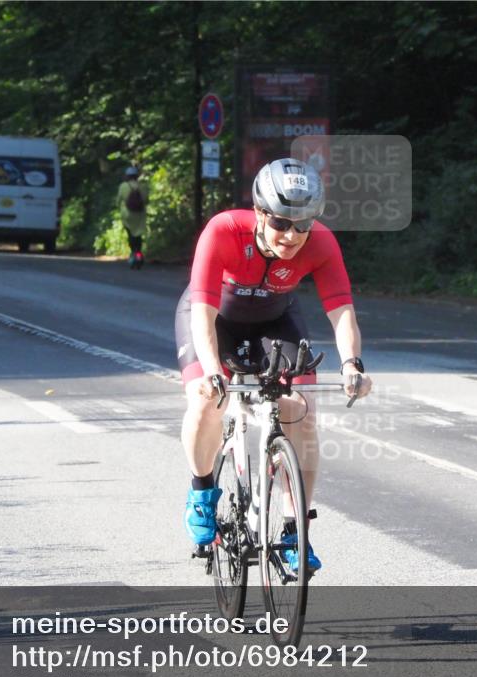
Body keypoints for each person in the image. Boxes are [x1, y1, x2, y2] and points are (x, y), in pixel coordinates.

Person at [174, 157, 373, 572]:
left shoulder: (321, 242)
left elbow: (341, 309)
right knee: (204, 400)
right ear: (260, 213)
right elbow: (203, 313)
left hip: (274, 320)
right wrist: (213, 372)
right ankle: (202, 490)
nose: (292, 235)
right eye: (282, 222)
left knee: (301, 412)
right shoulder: (224, 230)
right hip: (216, 320)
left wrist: (352, 363)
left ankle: (294, 527)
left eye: (303, 224)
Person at [117, 165, 149, 269]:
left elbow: (118, 201)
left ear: (127, 176)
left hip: (127, 215)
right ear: (136, 176)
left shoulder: (123, 186)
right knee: (138, 235)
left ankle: (133, 253)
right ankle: (139, 253)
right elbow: (146, 201)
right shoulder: (143, 186)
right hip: (140, 215)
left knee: (130, 234)